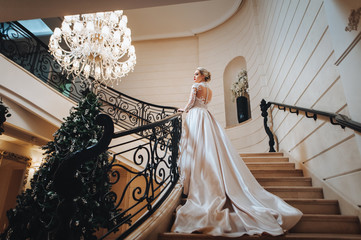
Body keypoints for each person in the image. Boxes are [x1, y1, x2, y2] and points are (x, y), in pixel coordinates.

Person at [171, 67, 302, 237]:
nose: (193, 76)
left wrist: (184, 110)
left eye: (196, 73)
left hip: (196, 116)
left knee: (198, 146)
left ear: (203, 75)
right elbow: (204, 102)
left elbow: (191, 102)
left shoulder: (195, 87)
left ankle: (198, 178)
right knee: (206, 146)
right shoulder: (209, 90)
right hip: (206, 116)